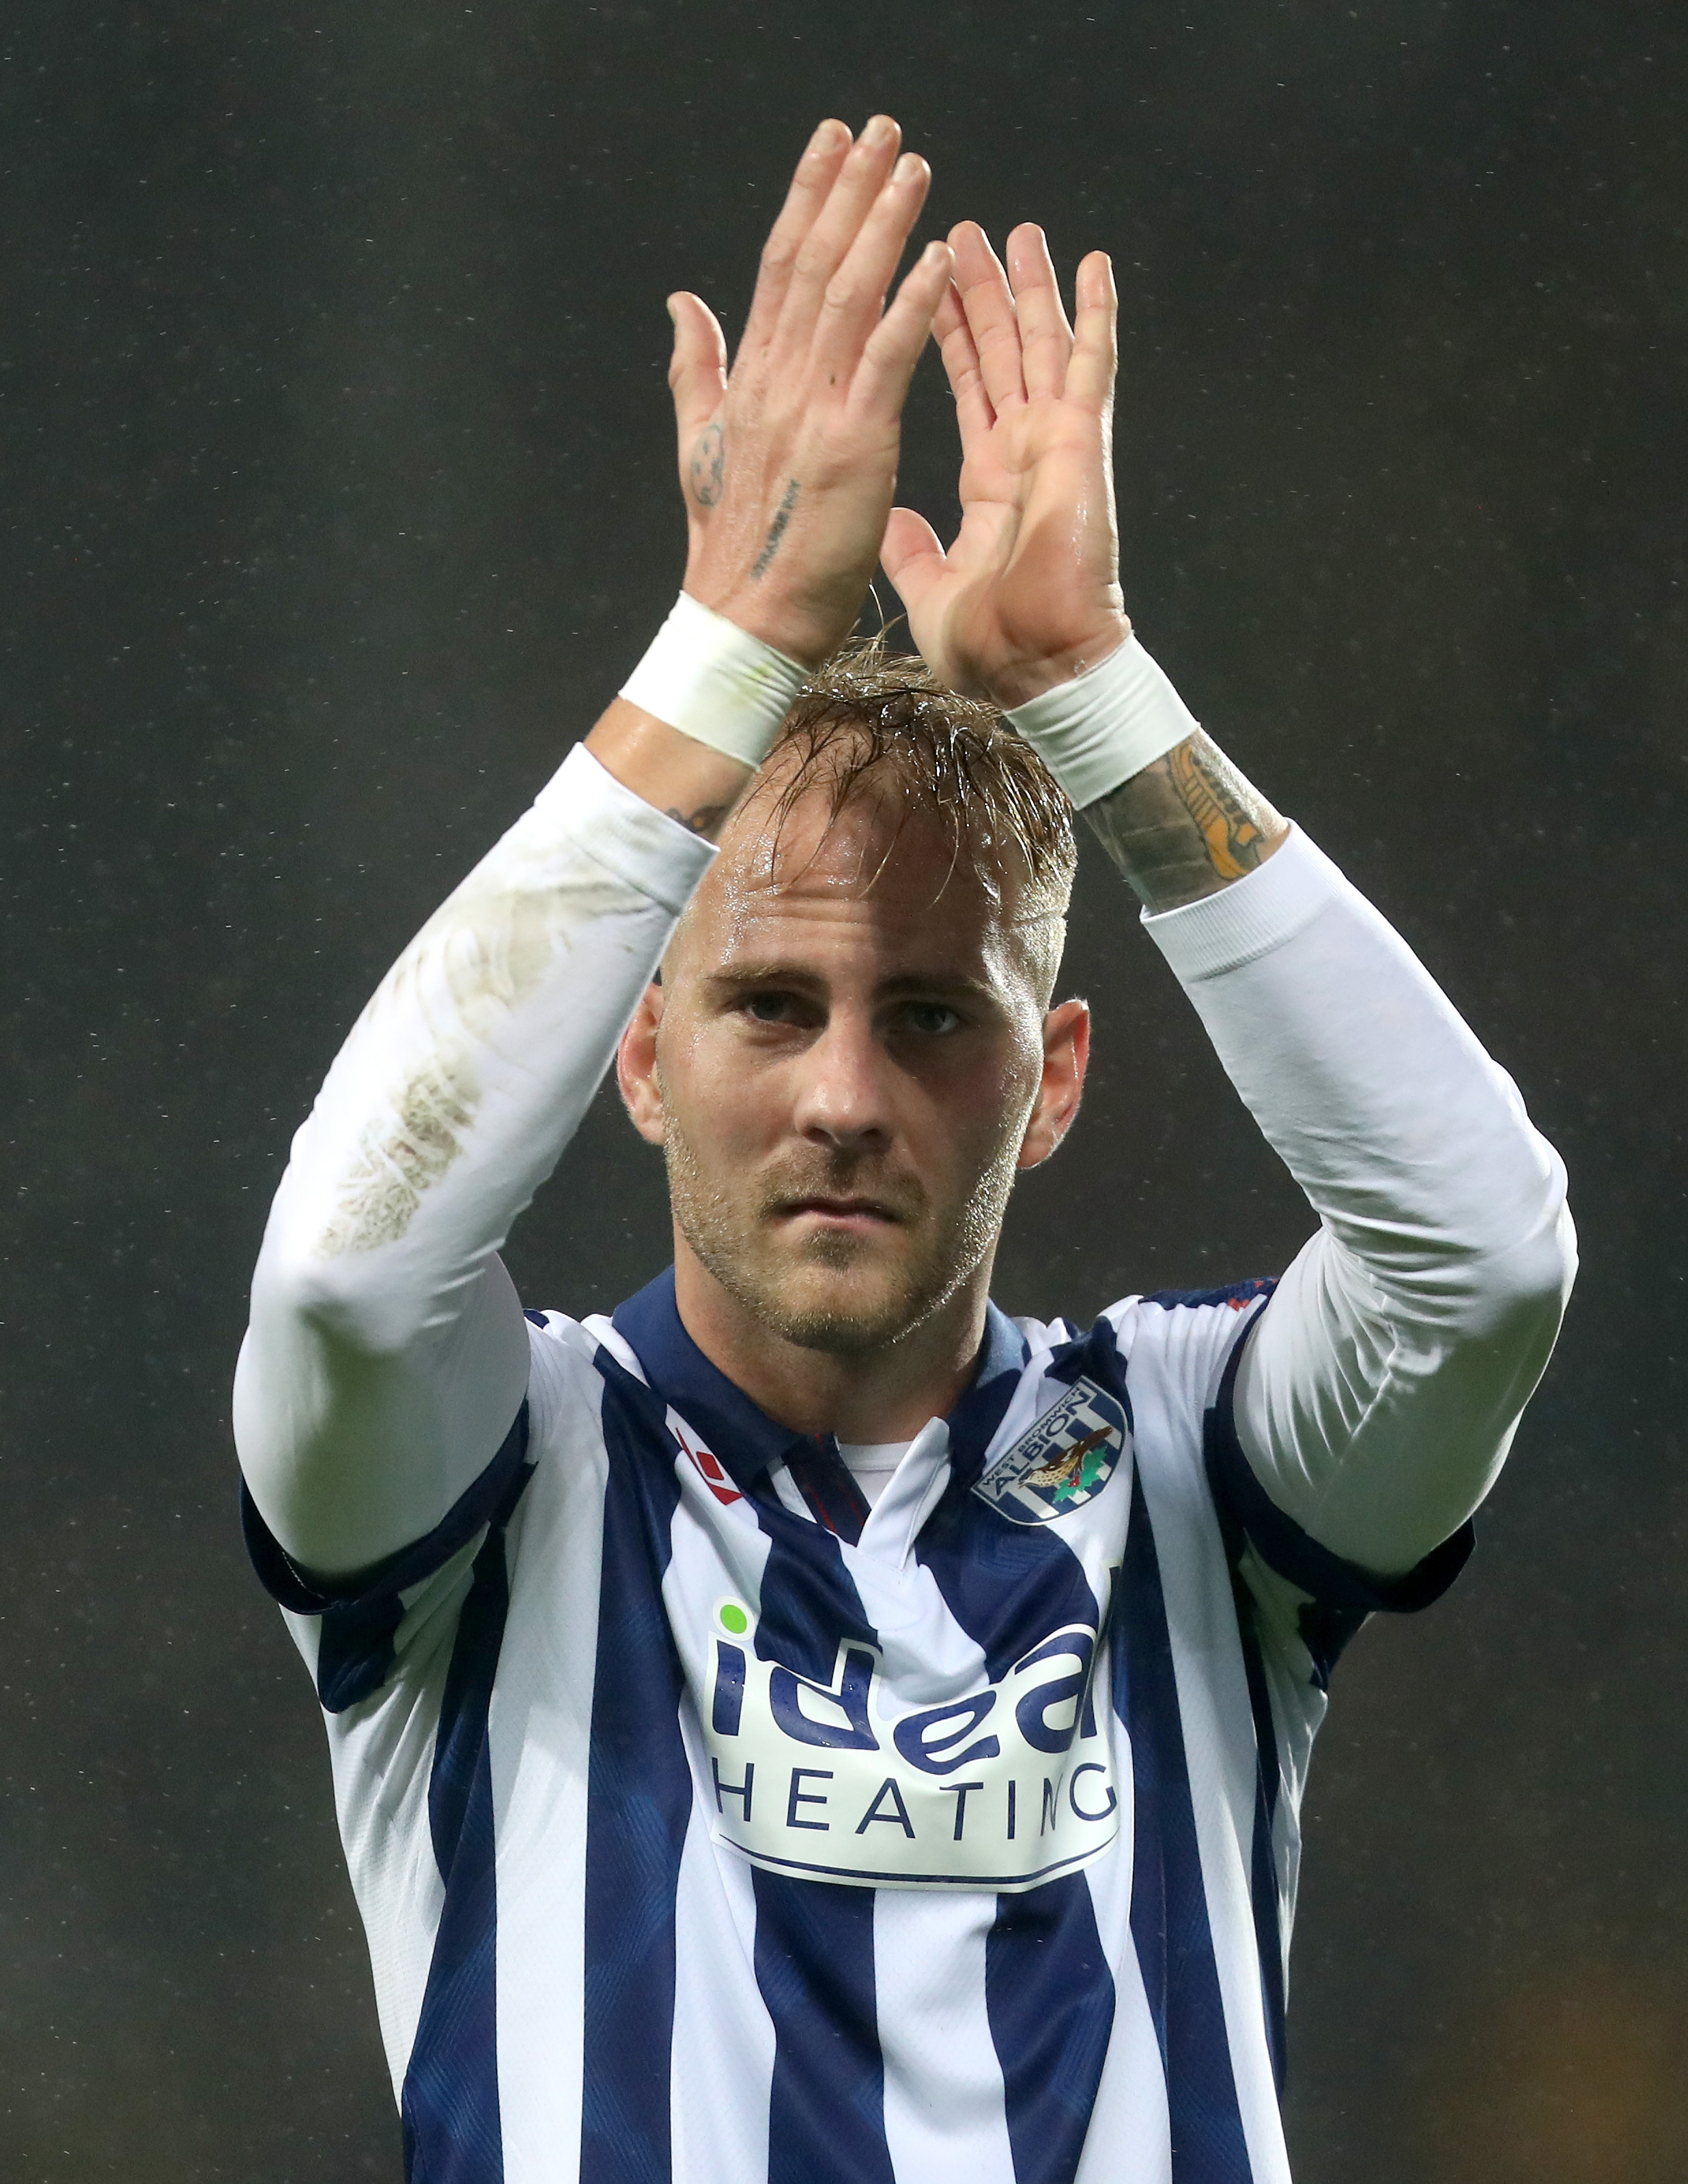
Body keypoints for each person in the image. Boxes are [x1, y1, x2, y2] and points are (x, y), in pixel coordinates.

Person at [234, 115, 1577, 2183]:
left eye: (928, 1017)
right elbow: (341, 1266)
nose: (845, 1094)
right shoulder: (502, 1476)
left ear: (1047, 1081)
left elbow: (1483, 1257)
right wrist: (731, 639)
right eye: (767, 1007)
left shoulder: (1192, 1463)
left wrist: (1090, 692)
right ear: (641, 1057)